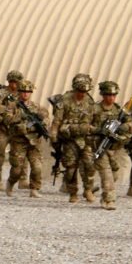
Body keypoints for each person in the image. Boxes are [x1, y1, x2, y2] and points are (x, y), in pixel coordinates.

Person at [50, 75, 97, 203]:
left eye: (85, 92)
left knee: (89, 165)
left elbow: (94, 120)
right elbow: (57, 121)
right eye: (80, 91)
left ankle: (88, 190)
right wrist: (53, 136)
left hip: (85, 138)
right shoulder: (64, 101)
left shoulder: (90, 102)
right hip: (69, 139)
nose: (82, 94)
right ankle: (73, 192)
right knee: (71, 168)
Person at [90, 80, 132, 210]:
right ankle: (109, 200)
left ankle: (103, 193)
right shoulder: (94, 109)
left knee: (114, 174)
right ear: (103, 95)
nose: (111, 98)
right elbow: (85, 126)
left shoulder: (119, 110)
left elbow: (130, 125)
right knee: (106, 173)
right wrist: (99, 130)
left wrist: (121, 128)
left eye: (114, 95)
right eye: (108, 95)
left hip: (114, 149)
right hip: (99, 146)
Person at [4, 79, 49, 199]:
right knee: (17, 170)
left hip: (34, 141)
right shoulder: (12, 106)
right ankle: (10, 183)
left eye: (28, 92)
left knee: (37, 167)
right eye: (23, 91)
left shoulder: (36, 106)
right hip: (19, 141)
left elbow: (46, 118)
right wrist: (20, 117)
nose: (25, 94)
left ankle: (34, 189)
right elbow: (7, 120)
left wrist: (43, 122)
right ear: (19, 92)